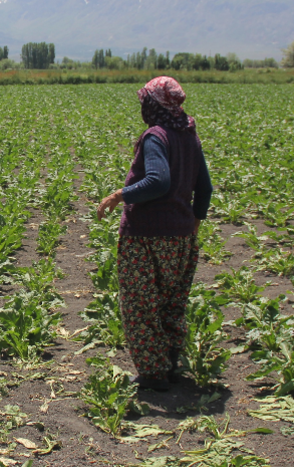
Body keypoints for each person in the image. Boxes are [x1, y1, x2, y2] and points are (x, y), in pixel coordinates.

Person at [97, 76, 213, 392]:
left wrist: (120, 195)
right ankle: (170, 365)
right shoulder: (189, 136)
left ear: (154, 104)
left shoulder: (156, 136)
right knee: (172, 303)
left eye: (145, 101)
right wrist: (194, 222)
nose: (143, 106)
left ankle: (152, 372)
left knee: (141, 305)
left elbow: (158, 181)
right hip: (181, 237)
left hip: (145, 237)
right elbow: (205, 188)